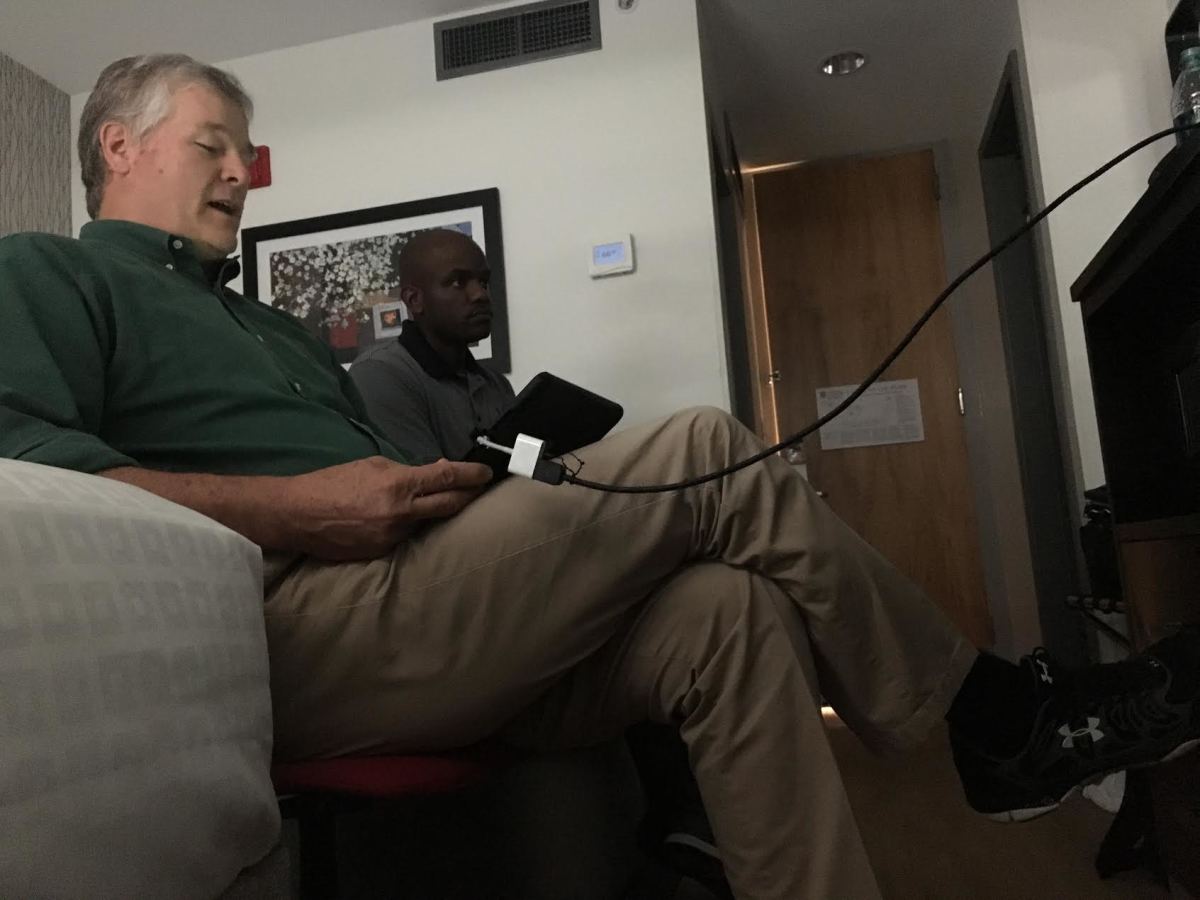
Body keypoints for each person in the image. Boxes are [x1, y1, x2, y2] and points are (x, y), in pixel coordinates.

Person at [1, 53, 1197, 900]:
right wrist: (296, 508)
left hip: (411, 598)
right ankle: (997, 723)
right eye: (212, 146)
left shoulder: (280, 330)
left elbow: (376, 488)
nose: (239, 174)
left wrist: (444, 489)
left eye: (243, 154)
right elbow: (25, 454)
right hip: (301, 634)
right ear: (119, 146)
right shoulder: (54, 274)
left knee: (724, 611)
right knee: (707, 445)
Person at [349, 228, 729, 894]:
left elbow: (524, 473)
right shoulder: (384, 377)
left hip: (516, 549)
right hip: (448, 577)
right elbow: (422, 503)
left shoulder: (490, 380)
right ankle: (680, 816)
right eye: (458, 282)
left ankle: (684, 818)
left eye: (484, 280)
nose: (479, 294)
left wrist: (560, 461)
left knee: (658, 576)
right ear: (413, 298)